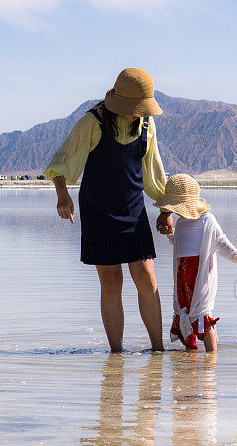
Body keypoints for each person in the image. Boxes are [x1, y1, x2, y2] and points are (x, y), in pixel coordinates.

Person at [44, 68, 172, 352]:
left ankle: (158, 349)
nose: (138, 113)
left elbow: (153, 172)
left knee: (146, 275)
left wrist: (165, 209)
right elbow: (62, 162)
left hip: (133, 209)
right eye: (134, 108)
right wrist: (62, 196)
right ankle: (116, 354)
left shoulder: (147, 125)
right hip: (98, 211)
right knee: (112, 282)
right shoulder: (93, 121)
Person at [155, 173, 237, 352]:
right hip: (182, 272)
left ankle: (212, 355)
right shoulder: (181, 222)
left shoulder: (207, 220)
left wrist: (236, 255)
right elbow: (177, 242)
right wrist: (170, 233)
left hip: (199, 274)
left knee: (201, 313)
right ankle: (190, 355)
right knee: (185, 311)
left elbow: (220, 241)